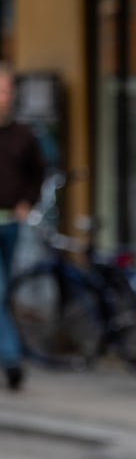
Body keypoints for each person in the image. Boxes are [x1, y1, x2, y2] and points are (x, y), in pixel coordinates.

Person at [0, 63, 45, 390]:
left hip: (10, 225)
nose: (2, 97)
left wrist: (26, 202)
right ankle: (12, 358)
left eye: (6, 90)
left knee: (5, 289)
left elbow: (38, 173)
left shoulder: (22, 134)